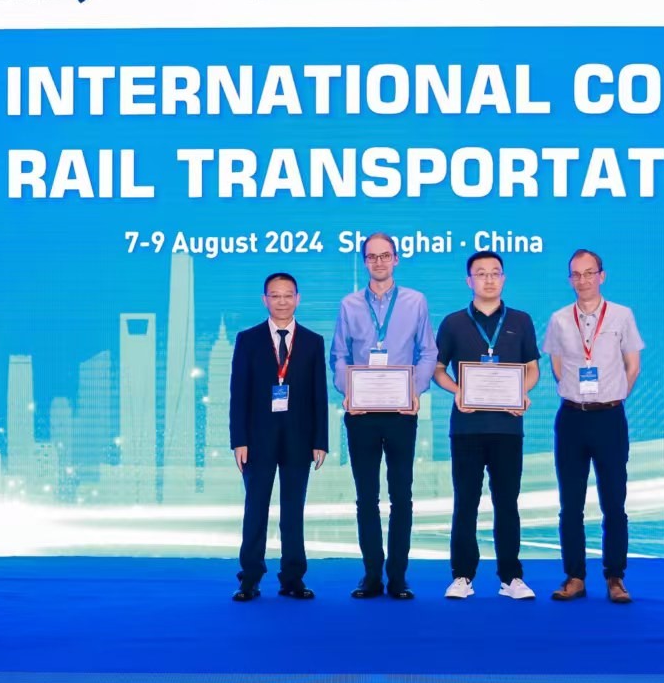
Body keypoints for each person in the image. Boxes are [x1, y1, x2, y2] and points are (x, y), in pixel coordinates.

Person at [331, 232, 437, 600]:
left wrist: (414, 392)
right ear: (365, 262)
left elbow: (428, 352)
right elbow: (339, 356)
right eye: (372, 256)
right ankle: (372, 574)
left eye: (385, 255)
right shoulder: (349, 305)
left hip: (400, 413)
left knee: (401, 497)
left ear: (396, 259)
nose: (379, 262)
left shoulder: (415, 301)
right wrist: (348, 391)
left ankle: (398, 576)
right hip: (361, 413)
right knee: (366, 498)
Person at [433, 250, 540, 600]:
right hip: (467, 428)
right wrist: (458, 391)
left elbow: (532, 369)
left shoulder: (521, 320)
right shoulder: (453, 323)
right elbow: (437, 370)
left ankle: (511, 577)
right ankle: (462, 576)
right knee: (465, 502)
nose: (489, 279)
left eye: (495, 273)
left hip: (508, 427)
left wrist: (521, 393)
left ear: (504, 278)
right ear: (469, 281)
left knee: (507, 502)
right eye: (481, 273)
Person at [542, 249, 644, 604]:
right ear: (570, 279)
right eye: (576, 274)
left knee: (614, 502)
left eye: (589, 273)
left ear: (602, 275)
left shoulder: (622, 315)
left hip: (609, 418)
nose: (582, 280)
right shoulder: (559, 319)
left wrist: (611, 396)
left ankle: (615, 577)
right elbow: (558, 367)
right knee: (570, 504)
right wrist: (581, 395)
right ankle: (574, 577)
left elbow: (633, 365)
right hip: (572, 418)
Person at [229, 272, 328, 601]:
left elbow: (319, 395)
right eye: (275, 295)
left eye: (288, 295)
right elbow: (238, 393)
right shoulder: (248, 339)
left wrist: (320, 441)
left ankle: (293, 579)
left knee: (293, 511)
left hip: (299, 439)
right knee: (255, 508)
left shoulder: (312, 341)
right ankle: (250, 578)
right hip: (257, 439)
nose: (282, 301)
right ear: (265, 300)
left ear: (298, 299)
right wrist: (239, 440)